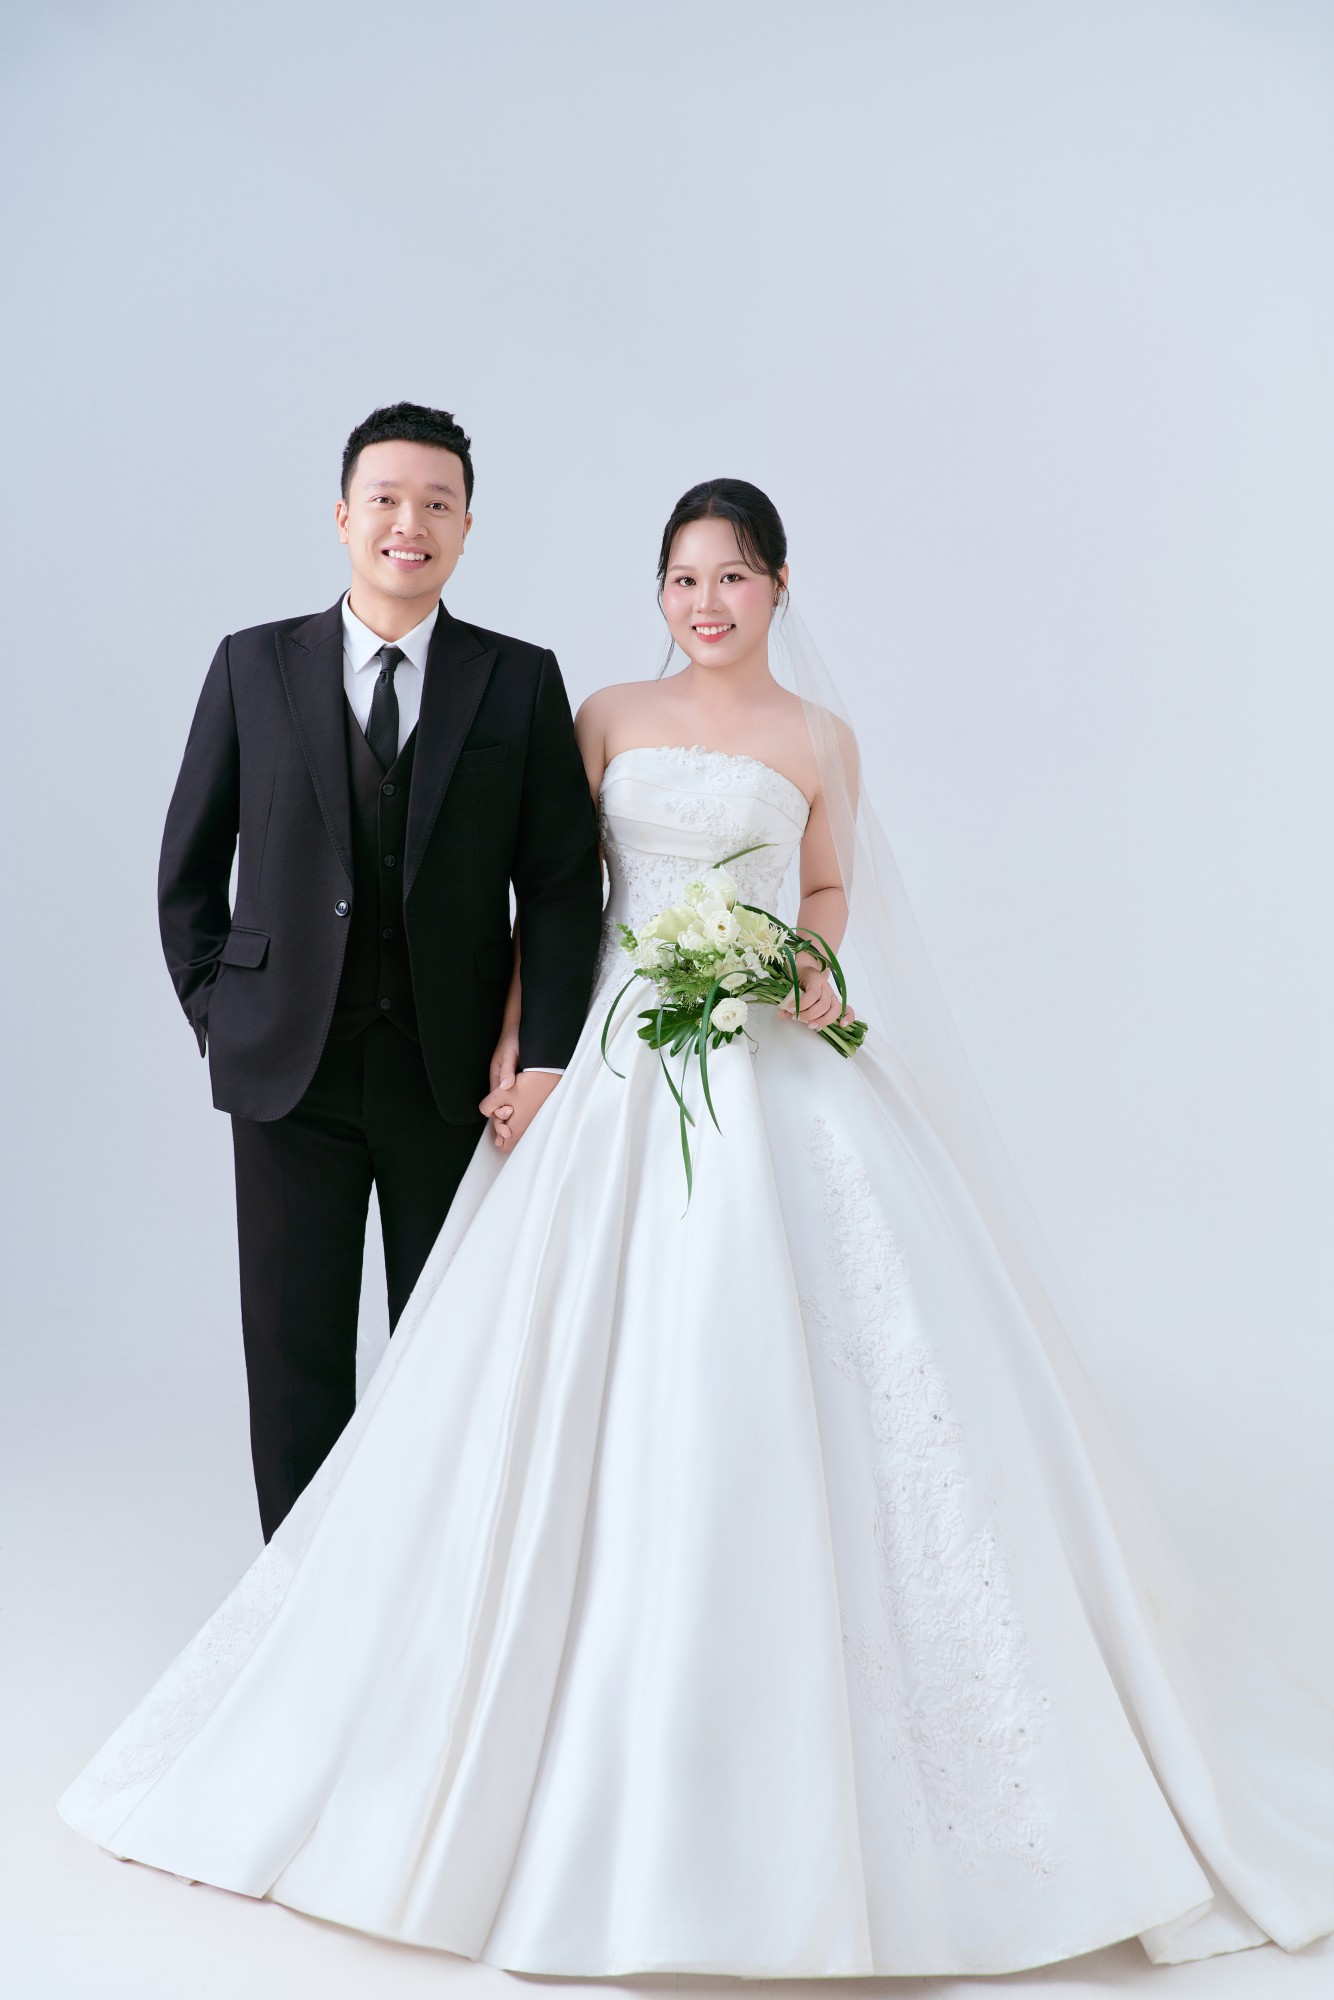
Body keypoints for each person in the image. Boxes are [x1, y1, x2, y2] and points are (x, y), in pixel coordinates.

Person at [61, 482, 1332, 1977]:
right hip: (613, 1062)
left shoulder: (821, 739)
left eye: (730, 577)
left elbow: (828, 883)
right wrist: (529, 1045)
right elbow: (557, 893)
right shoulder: (601, 714)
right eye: (681, 579)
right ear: (657, 593)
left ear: (779, 586)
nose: (704, 603)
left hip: (770, 1060)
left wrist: (802, 960)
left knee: (832, 1358)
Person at [155, 402, 602, 1540]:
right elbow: (189, 867)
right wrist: (224, 1012)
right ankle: (295, 1609)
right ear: (343, 515)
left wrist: (544, 1056)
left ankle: (429, 1596)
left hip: (452, 1080)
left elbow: (561, 885)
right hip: (286, 1077)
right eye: (387, 499)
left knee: (451, 1354)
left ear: (466, 528)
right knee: (293, 1359)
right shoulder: (254, 664)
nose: (411, 522)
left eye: (437, 504)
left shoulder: (518, 680)